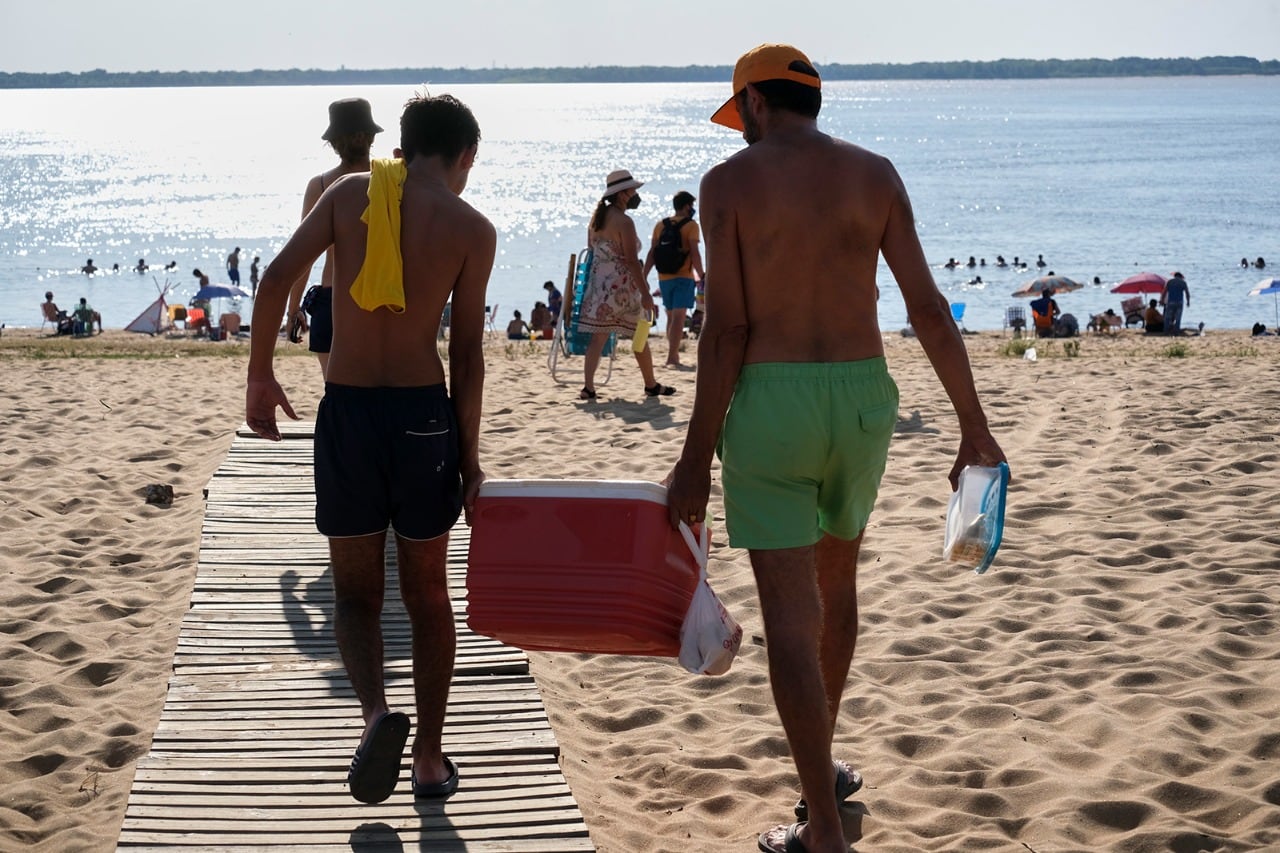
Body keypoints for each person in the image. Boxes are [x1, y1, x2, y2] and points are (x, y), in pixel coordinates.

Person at [665, 44, 1004, 853]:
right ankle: (821, 764)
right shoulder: (876, 174)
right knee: (835, 582)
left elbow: (729, 329)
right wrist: (972, 423)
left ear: (753, 104)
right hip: (861, 396)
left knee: (789, 611)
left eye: (738, 112)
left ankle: (821, 828)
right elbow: (926, 306)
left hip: (774, 399)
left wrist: (693, 457)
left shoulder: (727, 183)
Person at [246, 92, 494, 806]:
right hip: (423, 418)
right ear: (464, 156)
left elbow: (275, 281)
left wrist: (260, 376)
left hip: (349, 412)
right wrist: (470, 459)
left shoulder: (349, 193)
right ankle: (429, 760)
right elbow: (471, 355)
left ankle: (377, 715)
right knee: (427, 594)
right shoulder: (472, 227)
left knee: (356, 594)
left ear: (404, 145)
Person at [286, 97, 383, 377]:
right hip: (381, 299)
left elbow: (302, 257)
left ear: (332, 142)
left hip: (333, 299)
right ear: (371, 138)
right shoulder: (391, 180)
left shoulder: (321, 185)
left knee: (337, 393)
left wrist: (293, 310)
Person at [576, 169, 675, 400]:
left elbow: (593, 252)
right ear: (622, 194)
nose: (635, 194)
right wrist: (646, 293)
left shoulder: (596, 221)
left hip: (599, 288)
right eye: (632, 190)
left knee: (598, 338)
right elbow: (631, 261)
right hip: (622, 289)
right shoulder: (624, 222)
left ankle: (588, 387)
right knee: (639, 334)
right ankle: (650, 384)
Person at [642, 190, 705, 367]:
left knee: (671, 317)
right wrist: (701, 275)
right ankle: (672, 356)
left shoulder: (660, 225)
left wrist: (644, 275)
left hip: (663, 277)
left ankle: (672, 354)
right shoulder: (691, 226)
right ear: (686, 206)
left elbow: (652, 252)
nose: (692, 209)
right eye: (691, 205)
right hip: (683, 276)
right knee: (679, 316)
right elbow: (694, 252)